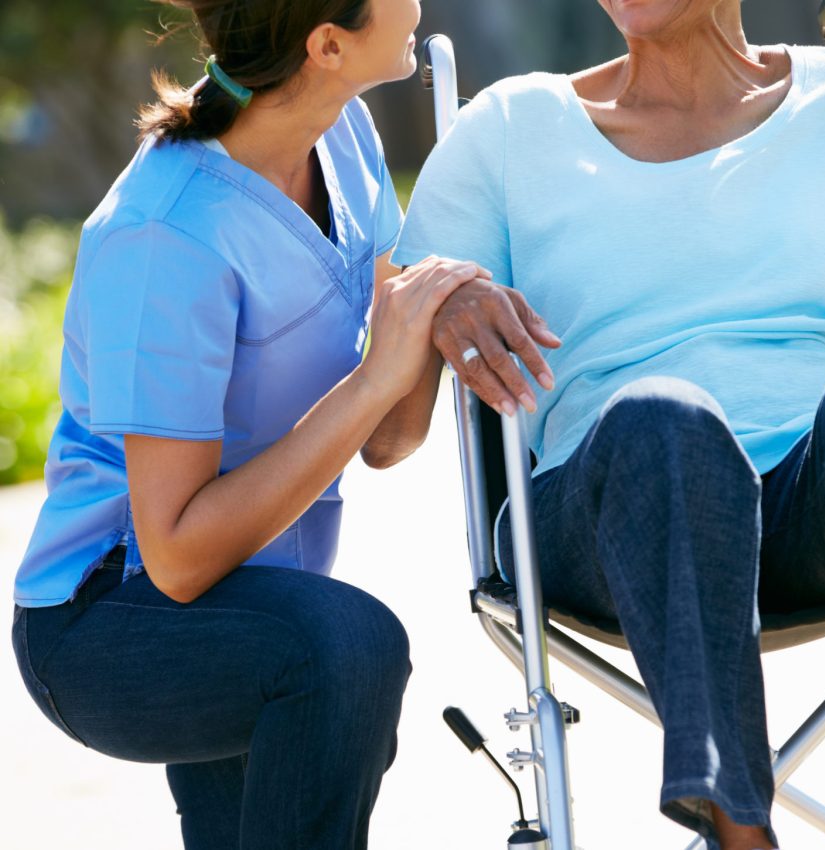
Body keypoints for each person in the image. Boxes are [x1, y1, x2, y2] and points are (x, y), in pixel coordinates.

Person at [390, 2, 825, 849]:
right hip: (613, 500)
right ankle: (739, 838)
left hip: (807, 503)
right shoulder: (507, 128)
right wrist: (441, 296)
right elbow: (391, 412)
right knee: (667, 421)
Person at [10, 1, 492, 848]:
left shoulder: (342, 136)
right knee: (346, 648)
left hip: (259, 599)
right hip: (114, 619)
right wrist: (381, 370)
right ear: (328, 43)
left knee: (323, 657)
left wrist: (439, 283)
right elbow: (181, 559)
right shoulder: (164, 233)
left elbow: (388, 437)